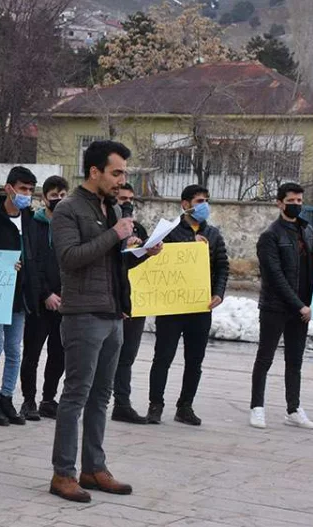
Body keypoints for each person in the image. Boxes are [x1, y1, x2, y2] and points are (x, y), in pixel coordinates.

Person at [49, 140, 158, 503]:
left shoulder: (110, 207)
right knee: (76, 395)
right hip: (83, 314)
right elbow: (69, 257)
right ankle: (63, 473)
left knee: (101, 396)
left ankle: (94, 467)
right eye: (116, 172)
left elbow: (113, 261)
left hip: (113, 312)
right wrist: (116, 234)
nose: (121, 179)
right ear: (94, 172)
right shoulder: (68, 209)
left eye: (124, 172)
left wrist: (142, 251)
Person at [144, 184, 228, 426]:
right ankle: (155, 404)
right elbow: (152, 260)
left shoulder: (213, 234)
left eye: (206, 201)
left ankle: (185, 406)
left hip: (200, 307)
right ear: (185, 204)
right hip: (172, 307)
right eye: (199, 201)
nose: (204, 206)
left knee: (195, 360)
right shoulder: (168, 231)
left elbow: (223, 266)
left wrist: (218, 293)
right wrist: (189, 245)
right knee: (163, 357)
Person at [250, 182, 313, 430]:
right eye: (291, 201)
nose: (296, 205)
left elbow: (309, 265)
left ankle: (293, 409)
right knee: (265, 357)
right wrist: (298, 305)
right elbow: (275, 276)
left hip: (301, 309)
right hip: (276, 307)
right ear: (279, 203)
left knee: (295, 361)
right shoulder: (270, 236)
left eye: (299, 201)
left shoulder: (307, 231)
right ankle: (257, 408)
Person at [0, 166, 36, 427]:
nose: (27, 194)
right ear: (9, 188)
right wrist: (1, 266)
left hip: (21, 294)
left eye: (30, 190)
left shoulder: (29, 218)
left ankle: (7, 397)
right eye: (23, 189)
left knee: (14, 350)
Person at [20, 175, 69, 421]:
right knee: (32, 353)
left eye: (63, 196)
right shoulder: (33, 225)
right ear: (44, 198)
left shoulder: (70, 226)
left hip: (65, 302)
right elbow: (32, 263)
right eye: (54, 196)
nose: (58, 200)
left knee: (58, 354)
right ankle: (28, 400)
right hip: (39, 304)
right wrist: (46, 294)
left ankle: (49, 399)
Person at [110, 183, 152, 425]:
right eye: (122, 198)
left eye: (130, 199)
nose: (127, 203)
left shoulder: (139, 228)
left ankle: (122, 404)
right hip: (112, 302)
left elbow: (143, 264)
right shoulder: (108, 228)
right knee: (102, 357)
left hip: (136, 302)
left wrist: (148, 249)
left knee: (127, 357)